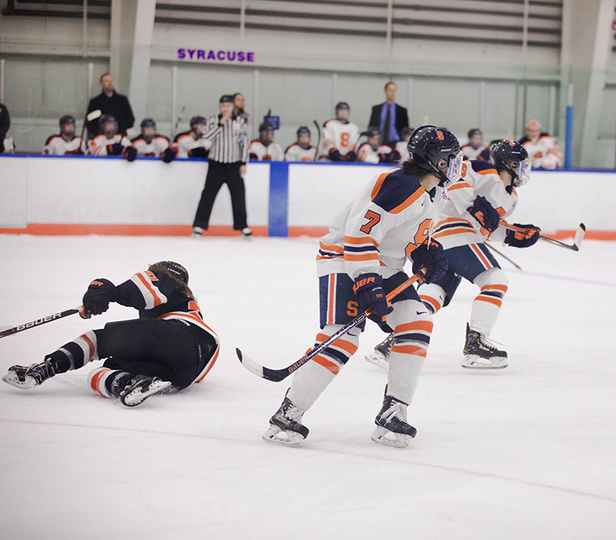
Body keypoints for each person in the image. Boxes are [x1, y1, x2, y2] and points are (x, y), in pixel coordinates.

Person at [262, 125, 461, 448]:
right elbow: (360, 234)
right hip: (344, 258)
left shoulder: (434, 192)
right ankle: (289, 412)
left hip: (383, 264)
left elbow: (406, 235)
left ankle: (394, 410)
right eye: (452, 158)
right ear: (438, 161)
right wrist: (368, 281)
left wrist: (423, 251)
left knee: (417, 320)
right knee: (343, 337)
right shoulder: (401, 185)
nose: (457, 164)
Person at [367, 140, 540, 371]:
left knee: (434, 294)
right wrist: (473, 206)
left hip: (443, 241)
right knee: (495, 280)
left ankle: (396, 340)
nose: (521, 170)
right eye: (518, 164)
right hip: (455, 233)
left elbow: (486, 225)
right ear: (508, 163)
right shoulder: (486, 171)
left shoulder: (511, 198)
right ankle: (476, 341)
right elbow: (455, 179)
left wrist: (512, 235)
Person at [2, 261, 220, 408]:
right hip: (186, 371)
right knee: (99, 374)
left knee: (100, 339)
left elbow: (147, 289)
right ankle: (131, 383)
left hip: (179, 334)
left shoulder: (170, 284)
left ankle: (47, 367)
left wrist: (112, 292)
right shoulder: (186, 310)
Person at [192, 95, 251, 238]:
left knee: (239, 197)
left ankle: (242, 226)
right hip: (216, 165)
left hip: (234, 165)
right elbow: (207, 138)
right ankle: (199, 225)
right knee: (207, 196)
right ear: (220, 107)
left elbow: (243, 143)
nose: (226, 109)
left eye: (229, 106)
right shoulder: (213, 120)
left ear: (233, 107)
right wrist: (220, 123)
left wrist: (243, 163)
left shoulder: (240, 122)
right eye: (223, 106)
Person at [85, 73, 135, 139]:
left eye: (111, 80)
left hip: (119, 137)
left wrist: (117, 127)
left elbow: (130, 119)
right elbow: (89, 122)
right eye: (107, 81)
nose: (110, 83)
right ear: (101, 84)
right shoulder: (95, 102)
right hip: (101, 138)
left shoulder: (122, 100)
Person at [368, 81, 410, 147]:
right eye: (390, 90)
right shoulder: (377, 109)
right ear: (385, 91)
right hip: (379, 143)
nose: (392, 93)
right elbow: (371, 127)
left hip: (396, 143)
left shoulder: (402, 111)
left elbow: (406, 130)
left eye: (394, 90)